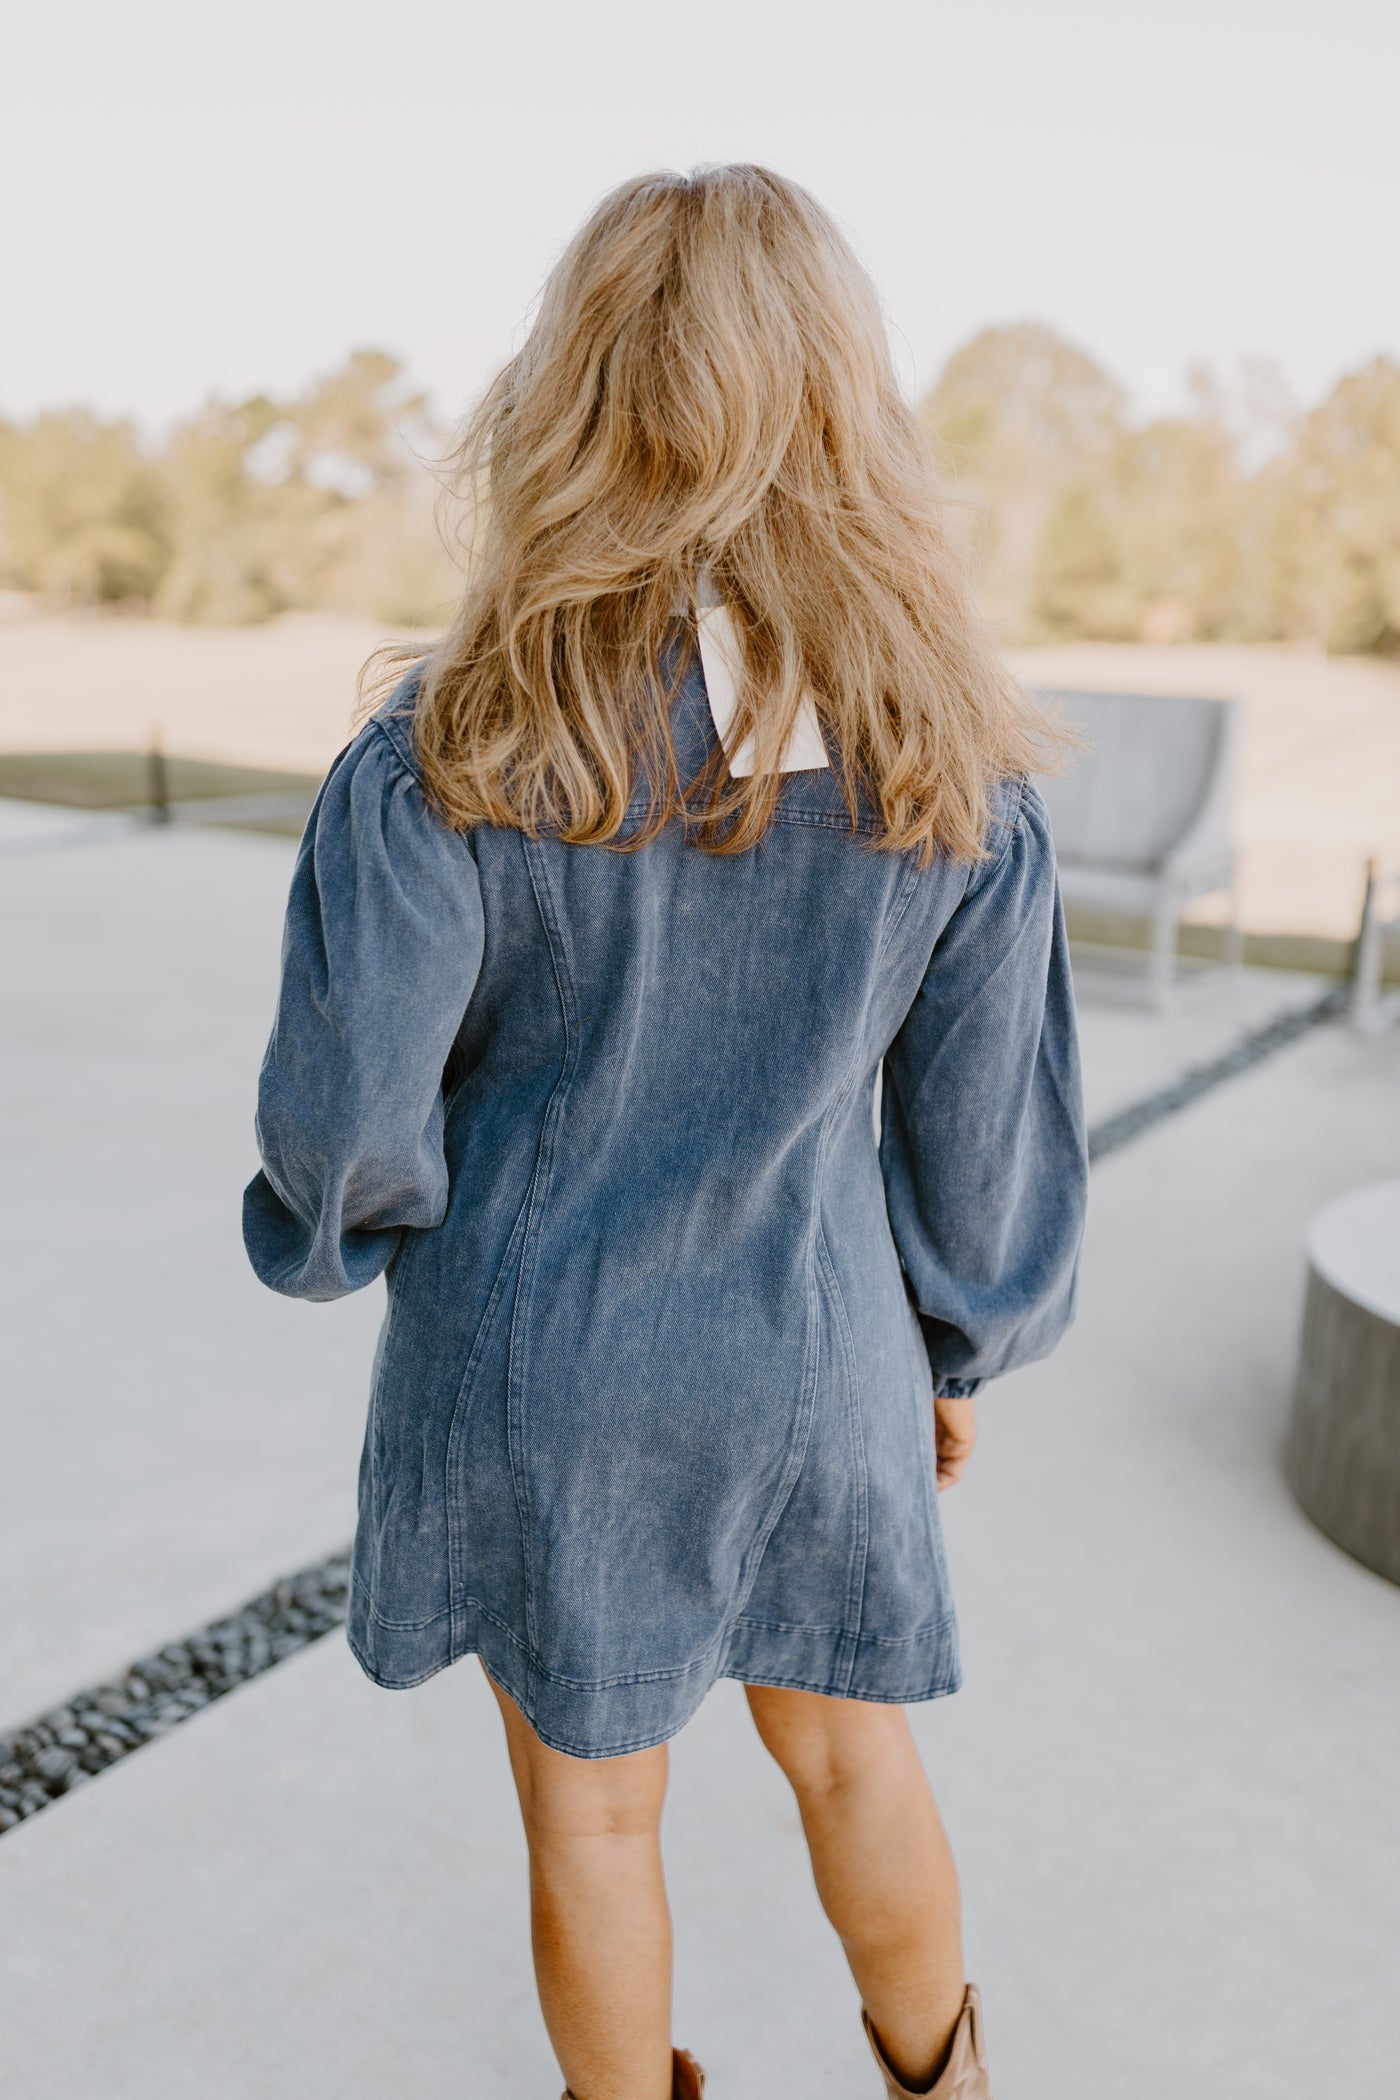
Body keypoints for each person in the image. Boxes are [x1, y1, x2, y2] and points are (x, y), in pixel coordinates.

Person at [243, 164, 1087, 2100]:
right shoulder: (938, 764)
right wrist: (941, 1353)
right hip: (812, 1356)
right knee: (854, 1757)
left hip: (537, 1368)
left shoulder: (454, 742)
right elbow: (979, 1158)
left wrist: (350, 1234)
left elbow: (351, 1129)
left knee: (594, 1825)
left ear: (574, 395)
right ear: (839, 408)